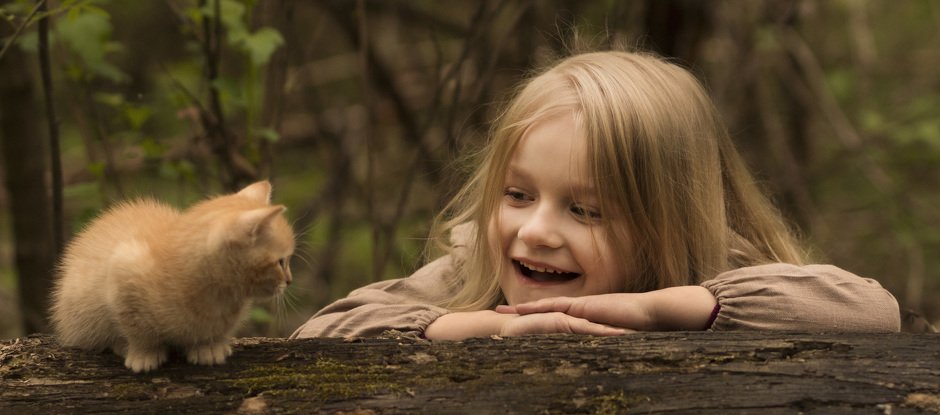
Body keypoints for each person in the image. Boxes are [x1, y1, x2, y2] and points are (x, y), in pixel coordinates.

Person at [292, 50, 900, 340]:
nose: (535, 231)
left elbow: (873, 312)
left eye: (585, 210)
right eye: (518, 195)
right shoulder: (470, 273)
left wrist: (655, 309)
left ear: (671, 221)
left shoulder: (718, 272)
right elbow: (318, 336)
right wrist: (486, 330)